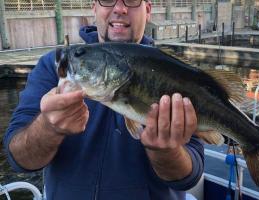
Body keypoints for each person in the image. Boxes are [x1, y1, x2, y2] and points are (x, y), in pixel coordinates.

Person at [3, 0, 204, 199]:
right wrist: (48, 127)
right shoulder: (54, 65)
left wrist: (166, 152)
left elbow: (190, 176)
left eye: (132, 1)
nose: (119, 8)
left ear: (148, 9)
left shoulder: (177, 73)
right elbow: (19, 159)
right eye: (107, 0)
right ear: (94, 7)